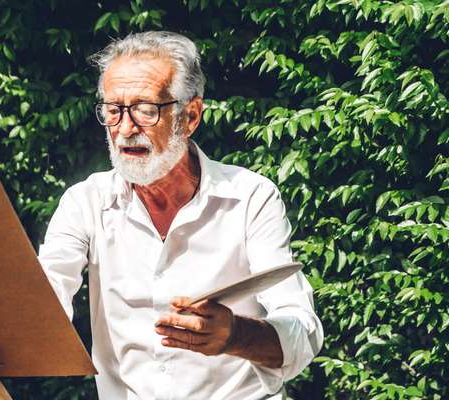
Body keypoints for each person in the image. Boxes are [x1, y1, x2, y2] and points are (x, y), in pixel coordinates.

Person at [38, 31, 323, 400]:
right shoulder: (85, 203)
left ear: (190, 116)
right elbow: (41, 303)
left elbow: (302, 334)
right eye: (113, 110)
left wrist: (235, 335)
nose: (125, 129)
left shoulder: (251, 198)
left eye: (145, 110)